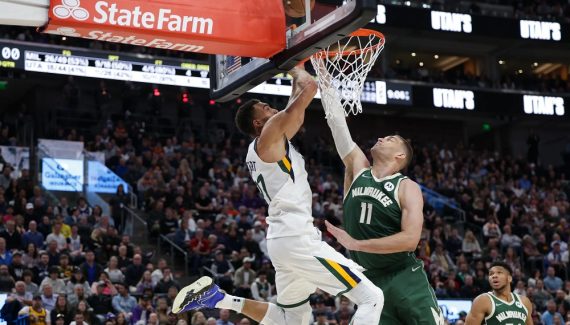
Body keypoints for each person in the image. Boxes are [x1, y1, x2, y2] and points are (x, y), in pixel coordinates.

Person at [172, 65, 384, 324]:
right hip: (297, 240)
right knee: (371, 297)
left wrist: (299, 66)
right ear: (258, 122)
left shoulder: (267, 143)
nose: (271, 107)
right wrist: (294, 67)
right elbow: (308, 89)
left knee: (291, 319)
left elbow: (296, 105)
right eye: (265, 107)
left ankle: (219, 299)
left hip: (283, 241)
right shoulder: (269, 136)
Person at [319, 85, 442, 325]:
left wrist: (356, 244)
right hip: (369, 283)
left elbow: (409, 240)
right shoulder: (358, 169)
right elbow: (336, 122)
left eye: (389, 139)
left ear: (400, 156)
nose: (380, 138)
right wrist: (322, 77)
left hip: (404, 276)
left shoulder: (407, 186)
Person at [465, 261, 532, 325]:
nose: (494, 276)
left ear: (509, 278)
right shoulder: (483, 301)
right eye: (491, 274)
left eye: (499, 272)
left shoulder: (524, 302)